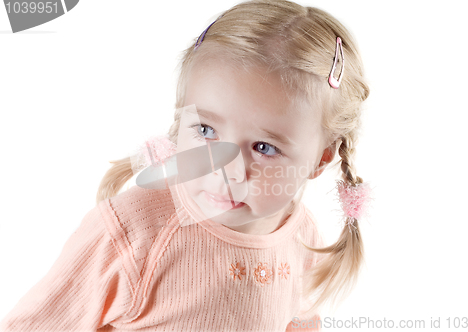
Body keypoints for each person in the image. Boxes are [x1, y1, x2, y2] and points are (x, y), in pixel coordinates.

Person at [0, 0, 370, 331]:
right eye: (206, 130)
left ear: (321, 158)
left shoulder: (301, 233)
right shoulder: (133, 233)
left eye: (264, 147)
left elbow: (297, 321)